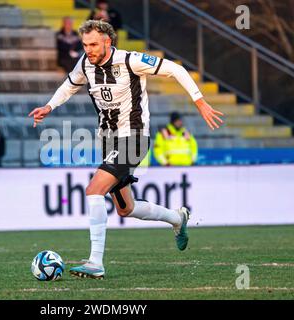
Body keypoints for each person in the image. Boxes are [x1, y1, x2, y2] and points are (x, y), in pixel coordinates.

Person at [28, 20, 224, 279]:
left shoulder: (130, 60)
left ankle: (95, 262)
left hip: (134, 137)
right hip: (109, 141)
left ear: (108, 42)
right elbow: (69, 85)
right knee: (125, 208)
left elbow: (175, 70)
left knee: (93, 189)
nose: (89, 49)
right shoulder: (85, 64)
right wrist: (49, 106)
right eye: (85, 44)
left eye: (94, 44)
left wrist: (199, 101)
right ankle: (177, 218)